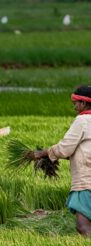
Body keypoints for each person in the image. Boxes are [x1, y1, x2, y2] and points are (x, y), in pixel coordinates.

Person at [34, 85, 91, 237]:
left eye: (76, 104)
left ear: (84, 103)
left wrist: (44, 153)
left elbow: (65, 148)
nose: (74, 107)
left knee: (83, 225)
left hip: (86, 181)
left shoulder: (82, 120)